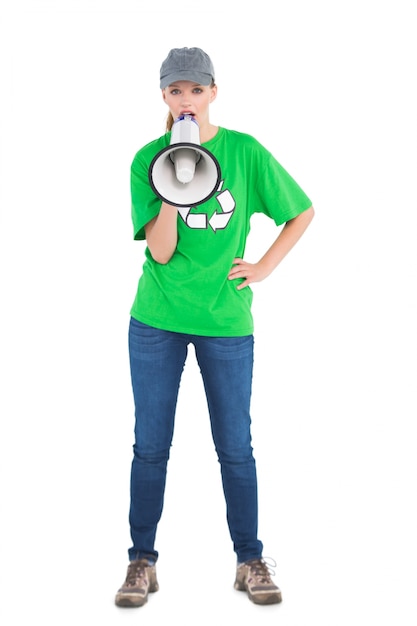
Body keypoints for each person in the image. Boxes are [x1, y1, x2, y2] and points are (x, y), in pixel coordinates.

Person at [115, 46, 315, 608]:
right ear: (163, 96)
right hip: (156, 321)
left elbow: (300, 210)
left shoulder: (245, 152)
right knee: (151, 447)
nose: (186, 100)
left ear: (213, 92)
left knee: (235, 447)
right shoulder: (146, 160)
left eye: (196, 90)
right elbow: (160, 250)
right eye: (176, 91)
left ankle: (249, 558)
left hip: (226, 321)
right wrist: (177, 173)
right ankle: (141, 562)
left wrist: (264, 267)